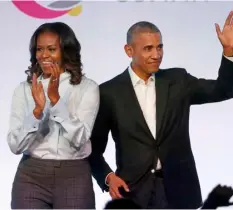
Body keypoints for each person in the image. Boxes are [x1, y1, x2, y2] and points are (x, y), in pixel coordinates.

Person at [89, 11, 233, 209]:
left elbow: (223, 90)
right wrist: (108, 177)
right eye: (148, 49)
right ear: (129, 50)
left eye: (159, 47)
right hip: (133, 192)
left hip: (180, 190)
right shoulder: (108, 92)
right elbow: (92, 150)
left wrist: (229, 52)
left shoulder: (178, 81)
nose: (156, 55)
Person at [7, 22, 99, 209]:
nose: (44, 55)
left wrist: (56, 102)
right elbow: (15, 146)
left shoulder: (87, 88)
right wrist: (36, 112)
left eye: (51, 49)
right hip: (31, 176)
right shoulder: (24, 90)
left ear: (66, 51)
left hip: (73, 175)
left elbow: (80, 138)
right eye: (39, 49)